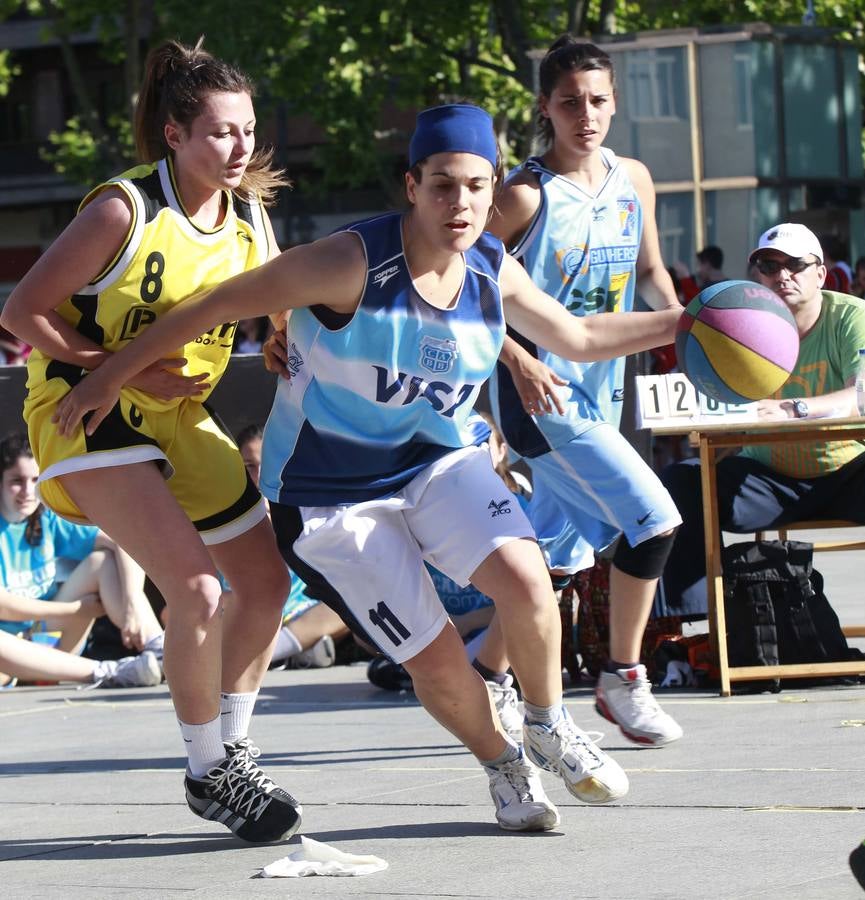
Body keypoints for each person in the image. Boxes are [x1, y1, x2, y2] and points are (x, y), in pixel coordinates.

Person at [44, 102, 683, 833]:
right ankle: (502, 762)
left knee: (527, 582)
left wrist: (686, 321)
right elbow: (215, 301)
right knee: (437, 659)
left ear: (493, 186)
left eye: (476, 186)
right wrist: (105, 377)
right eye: (442, 185)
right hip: (329, 497)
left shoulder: (490, 267)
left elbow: (581, 333)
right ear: (411, 186)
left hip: (437, 463)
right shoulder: (350, 262)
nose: (461, 203)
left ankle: (545, 723)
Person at [0, 40, 301, 844]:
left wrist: (279, 336)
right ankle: (208, 770)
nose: (238, 150)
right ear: (174, 135)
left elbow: (278, 301)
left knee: (266, 582)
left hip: (178, 414)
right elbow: (22, 312)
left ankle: (228, 752)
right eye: (219, 134)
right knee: (195, 589)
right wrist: (115, 369)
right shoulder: (122, 209)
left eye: (245, 133)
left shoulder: (249, 218)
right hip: (83, 410)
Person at [486, 38, 684, 747]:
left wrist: (691, 340)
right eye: (569, 101)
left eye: (597, 100)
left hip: (606, 387)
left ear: (613, 103)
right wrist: (513, 359)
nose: (585, 114)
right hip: (542, 396)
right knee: (653, 520)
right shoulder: (521, 195)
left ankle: (485, 676)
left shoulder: (633, 177)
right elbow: (461, 290)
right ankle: (621, 677)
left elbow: (654, 273)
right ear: (545, 107)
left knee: (554, 555)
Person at [657, 223, 865, 618]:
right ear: (757, 275)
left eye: (796, 265)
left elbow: (863, 397)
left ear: (820, 273)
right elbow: (688, 388)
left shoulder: (851, 316)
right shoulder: (736, 321)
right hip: (768, 479)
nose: (782, 275)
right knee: (679, 481)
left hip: (846, 470)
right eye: (770, 265)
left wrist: (794, 409)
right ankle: (698, 625)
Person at [0, 432, 164, 659]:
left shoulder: (47, 517)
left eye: (36, 480)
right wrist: (75, 610)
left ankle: (157, 647)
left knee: (102, 562)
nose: (28, 492)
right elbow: (3, 605)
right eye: (17, 481)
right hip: (9, 650)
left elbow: (122, 541)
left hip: (49, 636)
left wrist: (132, 600)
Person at [235, 423, 350, 669]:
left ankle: (270, 654)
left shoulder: (307, 511)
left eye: (266, 465)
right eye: (249, 467)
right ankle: (293, 652)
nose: (259, 476)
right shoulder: (226, 522)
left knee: (347, 606)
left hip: (304, 614)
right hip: (249, 616)